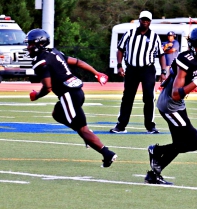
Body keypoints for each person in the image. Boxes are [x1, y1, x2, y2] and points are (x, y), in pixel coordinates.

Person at [144, 27, 197, 184]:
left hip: (177, 104)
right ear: (192, 46)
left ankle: (153, 175)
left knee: (179, 144)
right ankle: (156, 151)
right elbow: (175, 93)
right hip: (169, 104)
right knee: (195, 142)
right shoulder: (185, 59)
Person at [25, 28, 117, 168]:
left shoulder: (41, 62)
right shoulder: (54, 52)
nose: (28, 47)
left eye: (31, 44)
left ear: (40, 44)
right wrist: (96, 73)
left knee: (83, 129)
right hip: (77, 92)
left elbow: (47, 87)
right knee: (57, 113)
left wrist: (36, 95)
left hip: (68, 95)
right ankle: (86, 135)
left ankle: (107, 154)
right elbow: (78, 62)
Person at [110, 10, 167, 134]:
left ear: (150, 22)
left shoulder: (154, 36)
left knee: (149, 97)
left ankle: (150, 126)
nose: (145, 22)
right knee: (127, 97)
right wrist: (119, 65)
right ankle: (121, 125)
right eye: (143, 19)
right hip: (132, 69)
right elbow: (120, 49)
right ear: (139, 20)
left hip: (148, 69)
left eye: (147, 20)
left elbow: (161, 55)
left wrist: (163, 71)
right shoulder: (129, 34)